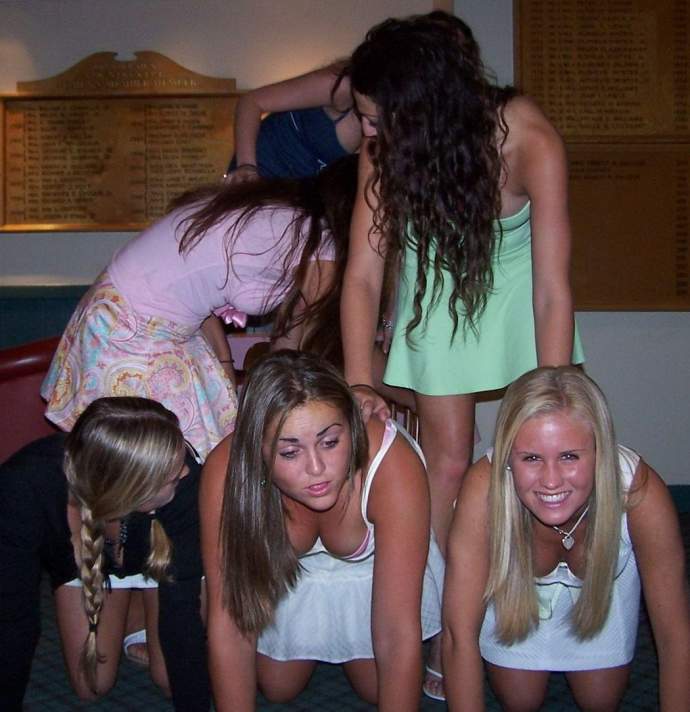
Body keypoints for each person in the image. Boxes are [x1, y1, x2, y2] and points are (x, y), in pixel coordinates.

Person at [340, 11, 585, 557]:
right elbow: (362, 274)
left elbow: (552, 288)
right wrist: (358, 382)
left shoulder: (527, 139)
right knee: (448, 462)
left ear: (424, 108)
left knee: (538, 448)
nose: (368, 134)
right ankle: (448, 587)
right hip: (439, 291)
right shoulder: (382, 153)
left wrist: (552, 389)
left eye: (376, 120)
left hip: (521, 291)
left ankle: (535, 575)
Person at [41, 155, 357, 459]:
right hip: (135, 327)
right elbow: (306, 348)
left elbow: (200, 287)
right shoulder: (317, 240)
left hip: (117, 310)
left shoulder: (268, 209)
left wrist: (226, 368)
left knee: (190, 448)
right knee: (166, 458)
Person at [200, 350, 443, 711]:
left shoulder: (392, 464)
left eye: (330, 442)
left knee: (379, 688)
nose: (317, 468)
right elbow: (230, 621)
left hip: (372, 573)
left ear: (352, 427)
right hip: (289, 574)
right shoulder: (226, 471)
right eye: (289, 452)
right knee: (278, 686)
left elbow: (397, 630)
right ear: (258, 450)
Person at [443, 366, 690, 711]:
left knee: (600, 701)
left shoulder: (640, 493)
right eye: (531, 458)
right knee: (519, 700)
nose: (551, 481)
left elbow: (675, 636)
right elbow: (458, 635)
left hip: (601, 593)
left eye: (569, 456)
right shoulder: (483, 490)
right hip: (516, 597)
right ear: (509, 456)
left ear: (600, 452)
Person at [0, 397, 210, 711]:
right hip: (90, 560)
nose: (184, 472)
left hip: (156, 559)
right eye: (171, 476)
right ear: (130, 489)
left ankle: (139, 605)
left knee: (170, 677)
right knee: (92, 685)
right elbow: (12, 615)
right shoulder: (23, 487)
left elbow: (182, 615)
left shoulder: (188, 481)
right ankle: (132, 612)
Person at [225, 62, 361, 183]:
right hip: (260, 167)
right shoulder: (342, 84)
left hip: (300, 190)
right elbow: (251, 101)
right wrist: (246, 166)